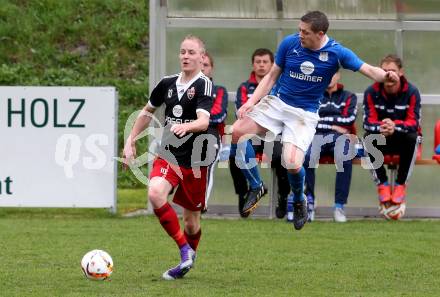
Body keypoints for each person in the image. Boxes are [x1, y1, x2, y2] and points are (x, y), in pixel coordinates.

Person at [231, 10, 399, 231]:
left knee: (292, 163)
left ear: (320, 34)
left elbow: (369, 70)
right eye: (299, 29)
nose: (300, 34)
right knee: (236, 132)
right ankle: (256, 186)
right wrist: (251, 101)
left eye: (305, 32)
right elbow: (272, 76)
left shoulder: (337, 53)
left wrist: (387, 76)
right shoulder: (290, 44)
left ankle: (299, 199)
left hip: (304, 114)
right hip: (278, 103)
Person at [122, 35, 214, 280]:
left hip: (196, 160)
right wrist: (130, 139)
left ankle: (187, 260)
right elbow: (146, 112)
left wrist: (188, 126)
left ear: (201, 57)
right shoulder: (167, 83)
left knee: (192, 223)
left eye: (191, 52)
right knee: (154, 193)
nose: (185, 56)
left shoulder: (204, 84)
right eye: (183, 51)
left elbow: (204, 121)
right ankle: (185, 251)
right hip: (169, 154)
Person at [229, 48, 290, 218]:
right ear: (253, 65)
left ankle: (283, 196)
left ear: (272, 65)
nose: (261, 65)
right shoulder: (244, 88)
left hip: (273, 134)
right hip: (251, 133)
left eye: (265, 62)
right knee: (235, 155)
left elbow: (280, 114)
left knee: (282, 157)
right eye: (258, 62)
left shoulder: (279, 86)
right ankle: (245, 193)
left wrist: (257, 110)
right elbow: (241, 113)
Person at [363, 54, 421, 209]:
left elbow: (414, 123)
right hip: (383, 139)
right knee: (368, 138)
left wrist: (394, 126)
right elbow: (368, 123)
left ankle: (400, 185)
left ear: (401, 72)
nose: (388, 74)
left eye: (392, 70)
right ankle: (382, 184)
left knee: (413, 137)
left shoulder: (412, 92)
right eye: (384, 70)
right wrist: (382, 128)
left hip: (403, 141)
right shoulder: (371, 92)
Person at [303, 71, 358, 223]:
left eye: (332, 73)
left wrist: (322, 121)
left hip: (340, 138)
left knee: (345, 158)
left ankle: (339, 206)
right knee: (306, 158)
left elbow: (350, 119)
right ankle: (309, 203)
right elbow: (307, 118)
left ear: (338, 75)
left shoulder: (349, 96)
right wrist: (334, 124)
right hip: (316, 136)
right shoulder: (313, 94)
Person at [201, 51, 229, 210]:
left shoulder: (219, 91)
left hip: (210, 133)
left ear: (212, 68)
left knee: (206, 163)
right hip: (184, 132)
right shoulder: (183, 88)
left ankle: (201, 203)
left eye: (206, 65)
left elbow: (218, 115)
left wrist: (195, 118)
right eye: (200, 64)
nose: (202, 68)